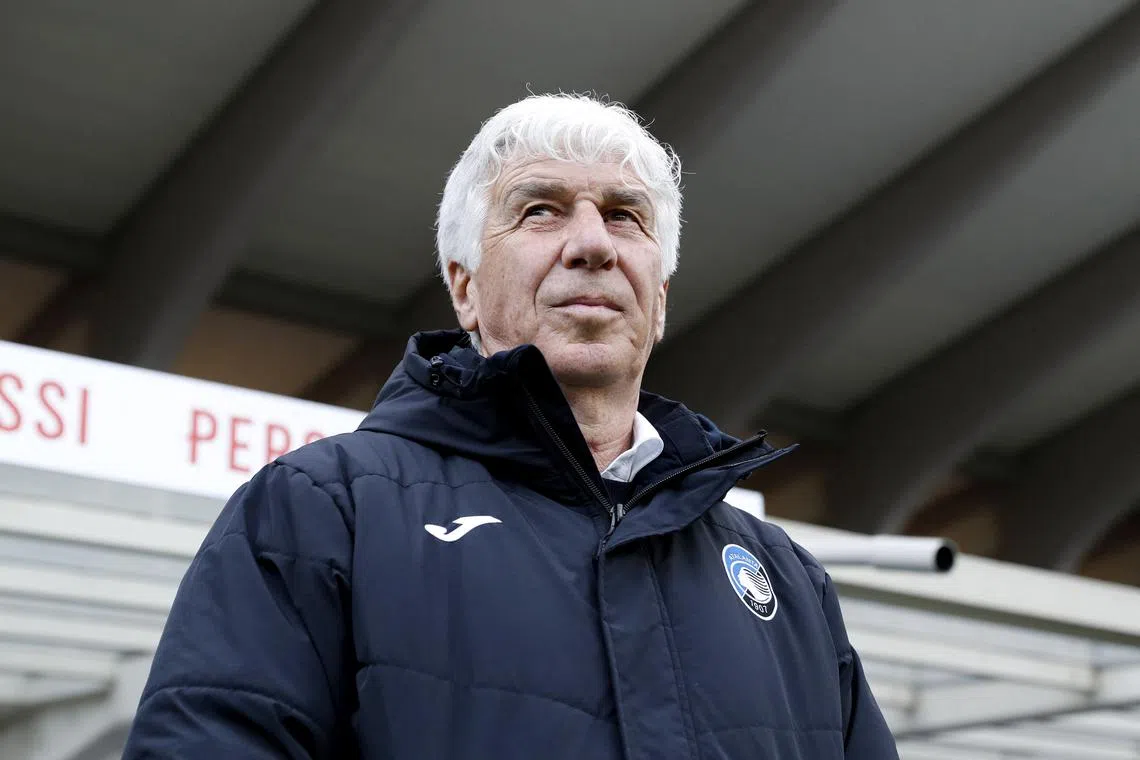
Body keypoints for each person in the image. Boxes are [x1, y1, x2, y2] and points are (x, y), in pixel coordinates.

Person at [122, 93, 898, 759]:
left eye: (625, 217)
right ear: (463, 287)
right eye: (540, 210)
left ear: (659, 298)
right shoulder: (320, 511)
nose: (592, 243)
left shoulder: (788, 582)